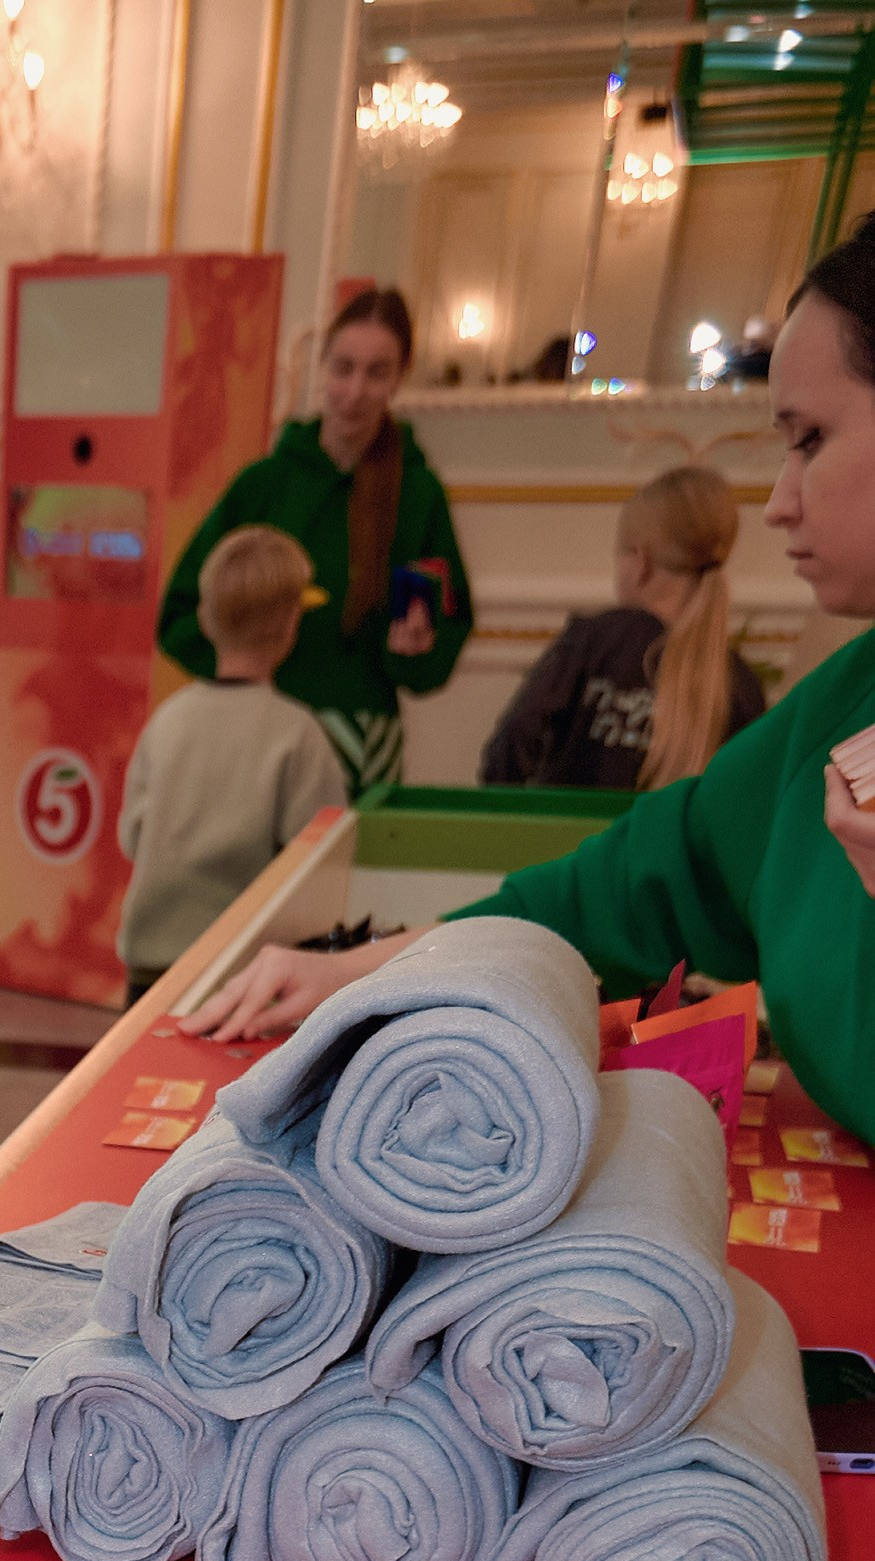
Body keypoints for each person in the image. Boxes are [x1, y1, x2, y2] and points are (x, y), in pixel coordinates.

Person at [185, 213, 875, 1143]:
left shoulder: (414, 491)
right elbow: (603, 893)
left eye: (811, 439)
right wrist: (370, 971)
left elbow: (444, 651)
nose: (780, 499)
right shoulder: (836, 707)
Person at [158, 287, 471, 793]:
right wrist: (239, 671)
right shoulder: (262, 485)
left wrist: (414, 647)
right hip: (255, 730)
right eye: (343, 368)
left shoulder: (417, 494)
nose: (355, 390)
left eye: (377, 372)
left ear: (399, 379)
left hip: (364, 741)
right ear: (320, 367)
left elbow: (440, 639)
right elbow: (180, 611)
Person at [118, 527, 345, 989]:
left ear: (204, 620)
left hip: (150, 968)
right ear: (290, 625)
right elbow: (319, 864)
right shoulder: (299, 734)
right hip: (245, 972)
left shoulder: (167, 720)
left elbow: (132, 836)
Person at [478, 466, 764, 793]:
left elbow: (515, 739)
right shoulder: (739, 684)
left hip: (575, 842)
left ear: (640, 562)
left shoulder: (592, 642)